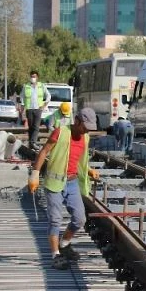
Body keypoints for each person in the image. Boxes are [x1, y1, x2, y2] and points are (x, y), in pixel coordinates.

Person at [28, 108, 100, 270]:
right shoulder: (60, 133)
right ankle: (56, 255)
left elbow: (79, 159)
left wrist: (89, 170)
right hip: (54, 183)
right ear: (77, 120)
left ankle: (64, 243)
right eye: (85, 127)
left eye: (89, 128)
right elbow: (44, 151)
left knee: (80, 218)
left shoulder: (85, 138)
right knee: (55, 220)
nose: (86, 131)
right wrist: (35, 174)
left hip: (73, 182)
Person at [19, 70, 51, 150]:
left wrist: (44, 105)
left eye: (34, 76)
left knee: (36, 126)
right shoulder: (26, 86)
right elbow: (22, 97)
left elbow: (48, 96)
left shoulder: (41, 86)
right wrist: (22, 108)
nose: (33, 78)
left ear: (37, 77)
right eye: (31, 76)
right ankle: (31, 143)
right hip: (29, 109)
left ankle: (34, 142)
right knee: (31, 127)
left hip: (38, 109)